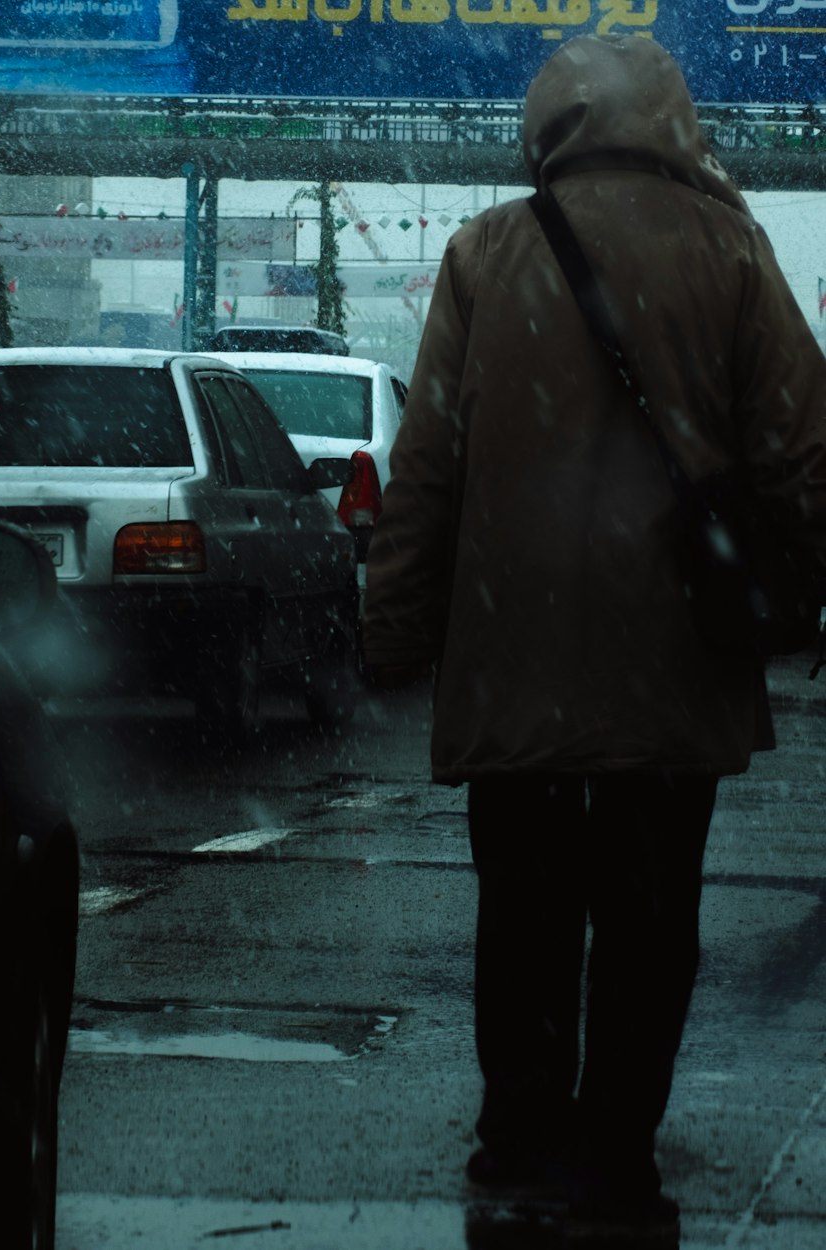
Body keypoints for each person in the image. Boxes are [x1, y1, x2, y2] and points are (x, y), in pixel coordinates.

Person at [362, 33, 826, 1242]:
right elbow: (800, 453)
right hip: (669, 663)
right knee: (648, 917)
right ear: (672, 121)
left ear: (547, 123)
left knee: (520, 910)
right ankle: (617, 1142)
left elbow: (427, 470)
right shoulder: (728, 250)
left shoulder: (486, 253)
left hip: (515, 655)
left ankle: (517, 1133)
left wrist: (396, 628)